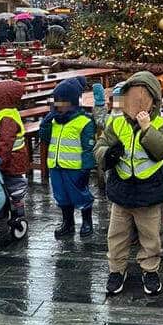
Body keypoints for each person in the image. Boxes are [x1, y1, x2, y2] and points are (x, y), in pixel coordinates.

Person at [95, 71, 163, 296]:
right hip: (121, 191)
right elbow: (100, 146)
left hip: (148, 193)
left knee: (150, 236)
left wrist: (148, 129)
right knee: (117, 235)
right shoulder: (117, 123)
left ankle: (150, 270)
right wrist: (108, 154)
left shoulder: (161, 123)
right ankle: (116, 270)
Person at [38, 78, 97, 242]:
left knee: (80, 195)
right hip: (56, 166)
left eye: (62, 102)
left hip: (75, 168)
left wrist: (87, 168)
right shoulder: (54, 120)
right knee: (61, 196)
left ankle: (86, 221)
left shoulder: (84, 121)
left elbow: (88, 148)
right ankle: (68, 222)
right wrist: (47, 120)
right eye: (56, 102)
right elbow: (44, 136)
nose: (58, 106)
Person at [0, 79, 29, 239]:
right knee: (2, 184)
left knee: (13, 185)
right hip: (5, 159)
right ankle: (2, 209)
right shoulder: (3, 114)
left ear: (2, 98)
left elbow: (5, 143)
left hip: (10, 161)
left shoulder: (7, 118)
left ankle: (18, 210)